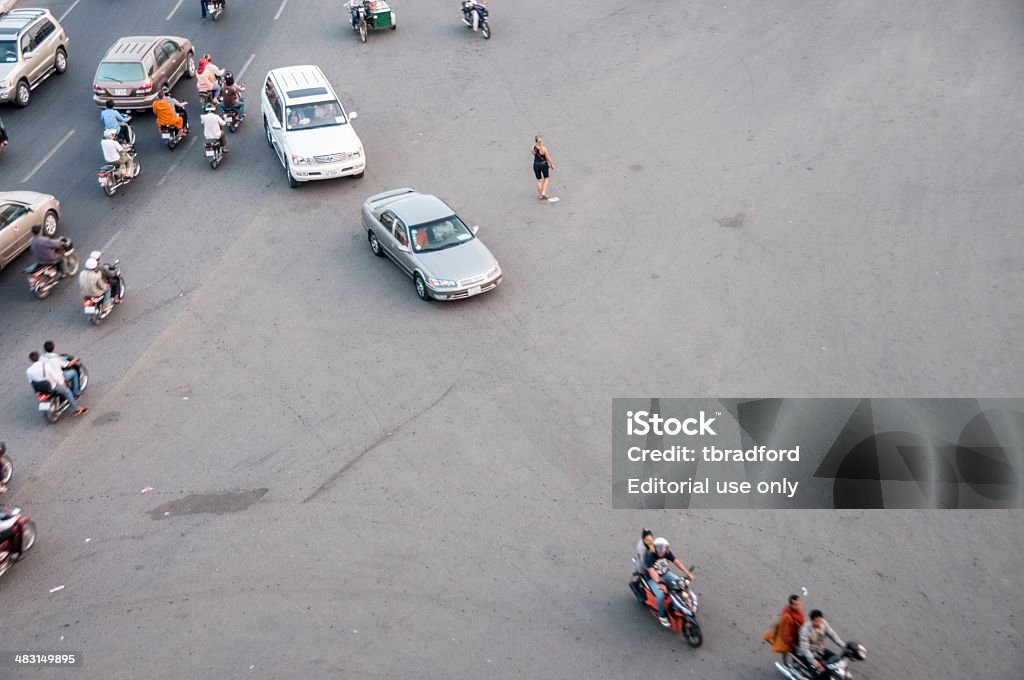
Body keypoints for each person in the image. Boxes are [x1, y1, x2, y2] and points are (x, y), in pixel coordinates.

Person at [644, 537, 695, 627]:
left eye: (663, 548)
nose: (661, 551)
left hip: (665, 573)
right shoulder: (650, 556)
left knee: (681, 583)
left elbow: (677, 562)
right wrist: (659, 583)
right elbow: (652, 572)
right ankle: (662, 616)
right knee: (660, 595)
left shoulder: (666, 553)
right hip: (652, 579)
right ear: (655, 548)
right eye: (659, 548)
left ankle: (687, 601)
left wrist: (687, 573)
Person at [26, 351, 85, 417]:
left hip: (40, 389)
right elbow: (55, 377)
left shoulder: (29, 370)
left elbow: (31, 382)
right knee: (67, 392)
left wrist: (37, 392)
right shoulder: (46, 366)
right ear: (39, 357)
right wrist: (63, 384)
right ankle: (76, 409)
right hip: (52, 386)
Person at [798, 610, 845, 679]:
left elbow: (832, 635)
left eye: (821, 620)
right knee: (818, 676)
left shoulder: (823, 623)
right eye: (817, 621)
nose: (820, 623)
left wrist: (843, 646)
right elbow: (805, 649)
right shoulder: (805, 630)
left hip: (820, 650)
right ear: (812, 620)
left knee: (838, 660)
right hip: (809, 655)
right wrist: (813, 661)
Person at [763, 594, 806, 666]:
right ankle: (787, 664)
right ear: (791, 605)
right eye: (796, 605)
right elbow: (786, 632)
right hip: (790, 638)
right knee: (788, 650)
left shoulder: (798, 611)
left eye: (799, 604)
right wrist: (792, 644)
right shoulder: (787, 616)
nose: (799, 606)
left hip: (798, 635)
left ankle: (794, 663)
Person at [629, 528, 655, 601]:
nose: (650, 541)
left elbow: (653, 550)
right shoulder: (642, 549)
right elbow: (644, 563)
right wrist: (650, 569)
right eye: (647, 540)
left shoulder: (650, 543)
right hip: (643, 566)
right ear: (644, 539)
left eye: (651, 539)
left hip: (650, 562)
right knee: (649, 581)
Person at [532, 134, 554, 200]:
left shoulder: (533, 148)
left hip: (536, 165)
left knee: (539, 180)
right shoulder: (544, 149)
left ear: (535, 141)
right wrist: (551, 164)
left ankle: (540, 195)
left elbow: (533, 154)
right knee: (546, 178)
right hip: (543, 165)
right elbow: (548, 157)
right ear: (541, 141)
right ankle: (544, 192)